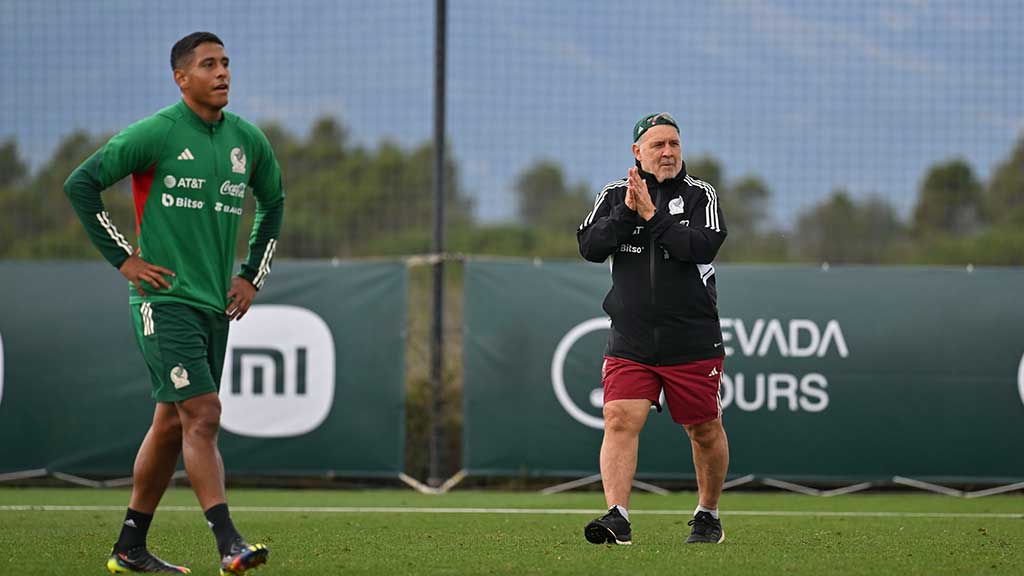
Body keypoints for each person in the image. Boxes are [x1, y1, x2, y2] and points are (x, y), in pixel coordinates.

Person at [64, 31, 284, 574]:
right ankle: (229, 542)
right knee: (203, 415)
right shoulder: (157, 133)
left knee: (171, 424)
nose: (223, 73)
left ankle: (129, 548)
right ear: (181, 78)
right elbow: (81, 184)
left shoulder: (247, 140)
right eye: (209, 65)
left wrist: (252, 274)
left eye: (227, 63)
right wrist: (125, 260)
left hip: (214, 304)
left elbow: (273, 203)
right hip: (162, 300)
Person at [576, 112, 729, 545]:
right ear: (637, 152)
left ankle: (707, 514)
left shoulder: (701, 194)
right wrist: (628, 213)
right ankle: (616, 517)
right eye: (658, 145)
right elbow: (589, 246)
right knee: (619, 418)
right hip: (632, 337)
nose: (667, 152)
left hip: (691, 337)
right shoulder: (613, 194)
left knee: (704, 429)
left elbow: (700, 245)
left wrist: (652, 215)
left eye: (674, 144)